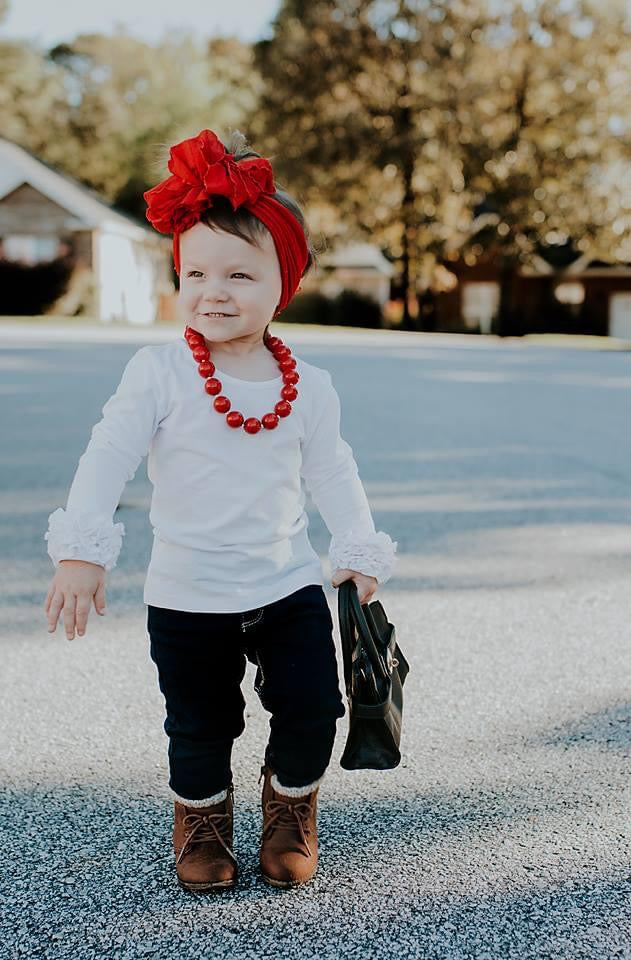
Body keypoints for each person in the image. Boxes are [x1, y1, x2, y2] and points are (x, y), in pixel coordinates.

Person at [43, 128, 398, 893]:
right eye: (196, 272)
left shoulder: (310, 384)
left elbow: (332, 468)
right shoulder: (160, 373)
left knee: (313, 710)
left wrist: (358, 547)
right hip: (187, 591)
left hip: (286, 582)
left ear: (283, 283)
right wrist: (83, 546)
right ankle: (201, 821)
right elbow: (108, 452)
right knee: (200, 726)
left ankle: (289, 805)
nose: (214, 290)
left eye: (240, 273)